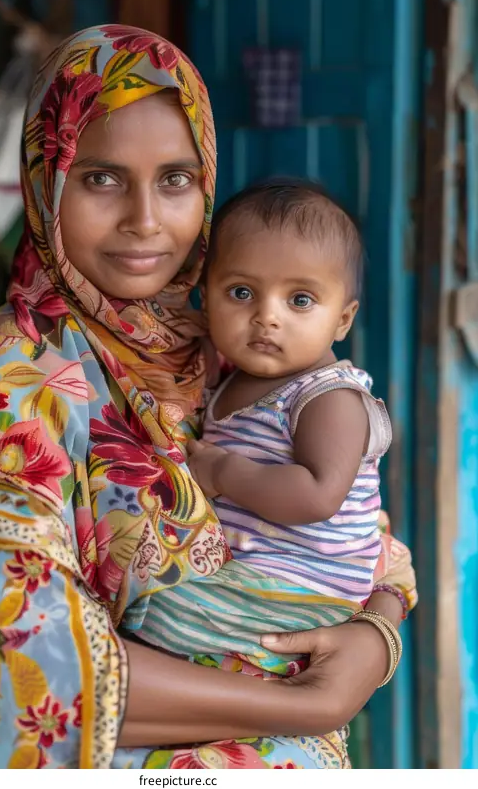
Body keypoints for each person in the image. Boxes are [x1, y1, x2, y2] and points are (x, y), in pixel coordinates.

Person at [0, 25, 417, 770]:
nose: (145, 219)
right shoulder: (5, 387)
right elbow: (27, 665)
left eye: (175, 179)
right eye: (101, 178)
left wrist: (378, 634)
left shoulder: (223, 337)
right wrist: (314, 702)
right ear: (45, 180)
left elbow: (360, 525)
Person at [137, 180, 395, 674]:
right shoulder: (232, 380)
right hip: (255, 583)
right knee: (148, 618)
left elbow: (318, 496)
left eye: (300, 300)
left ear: (342, 320)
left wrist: (224, 472)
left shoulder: (329, 397)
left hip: (303, 592)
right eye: (241, 292)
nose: (266, 317)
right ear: (206, 302)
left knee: (152, 621)